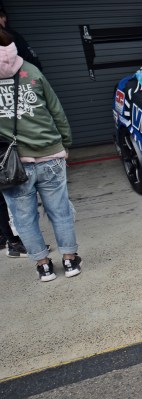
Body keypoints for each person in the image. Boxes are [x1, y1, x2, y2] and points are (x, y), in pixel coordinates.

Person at [0, 30, 80, 281]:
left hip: (12, 164)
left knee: (24, 218)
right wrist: (65, 143)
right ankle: (69, 260)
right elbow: (56, 111)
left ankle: (43, 266)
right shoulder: (32, 71)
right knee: (60, 211)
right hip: (51, 154)